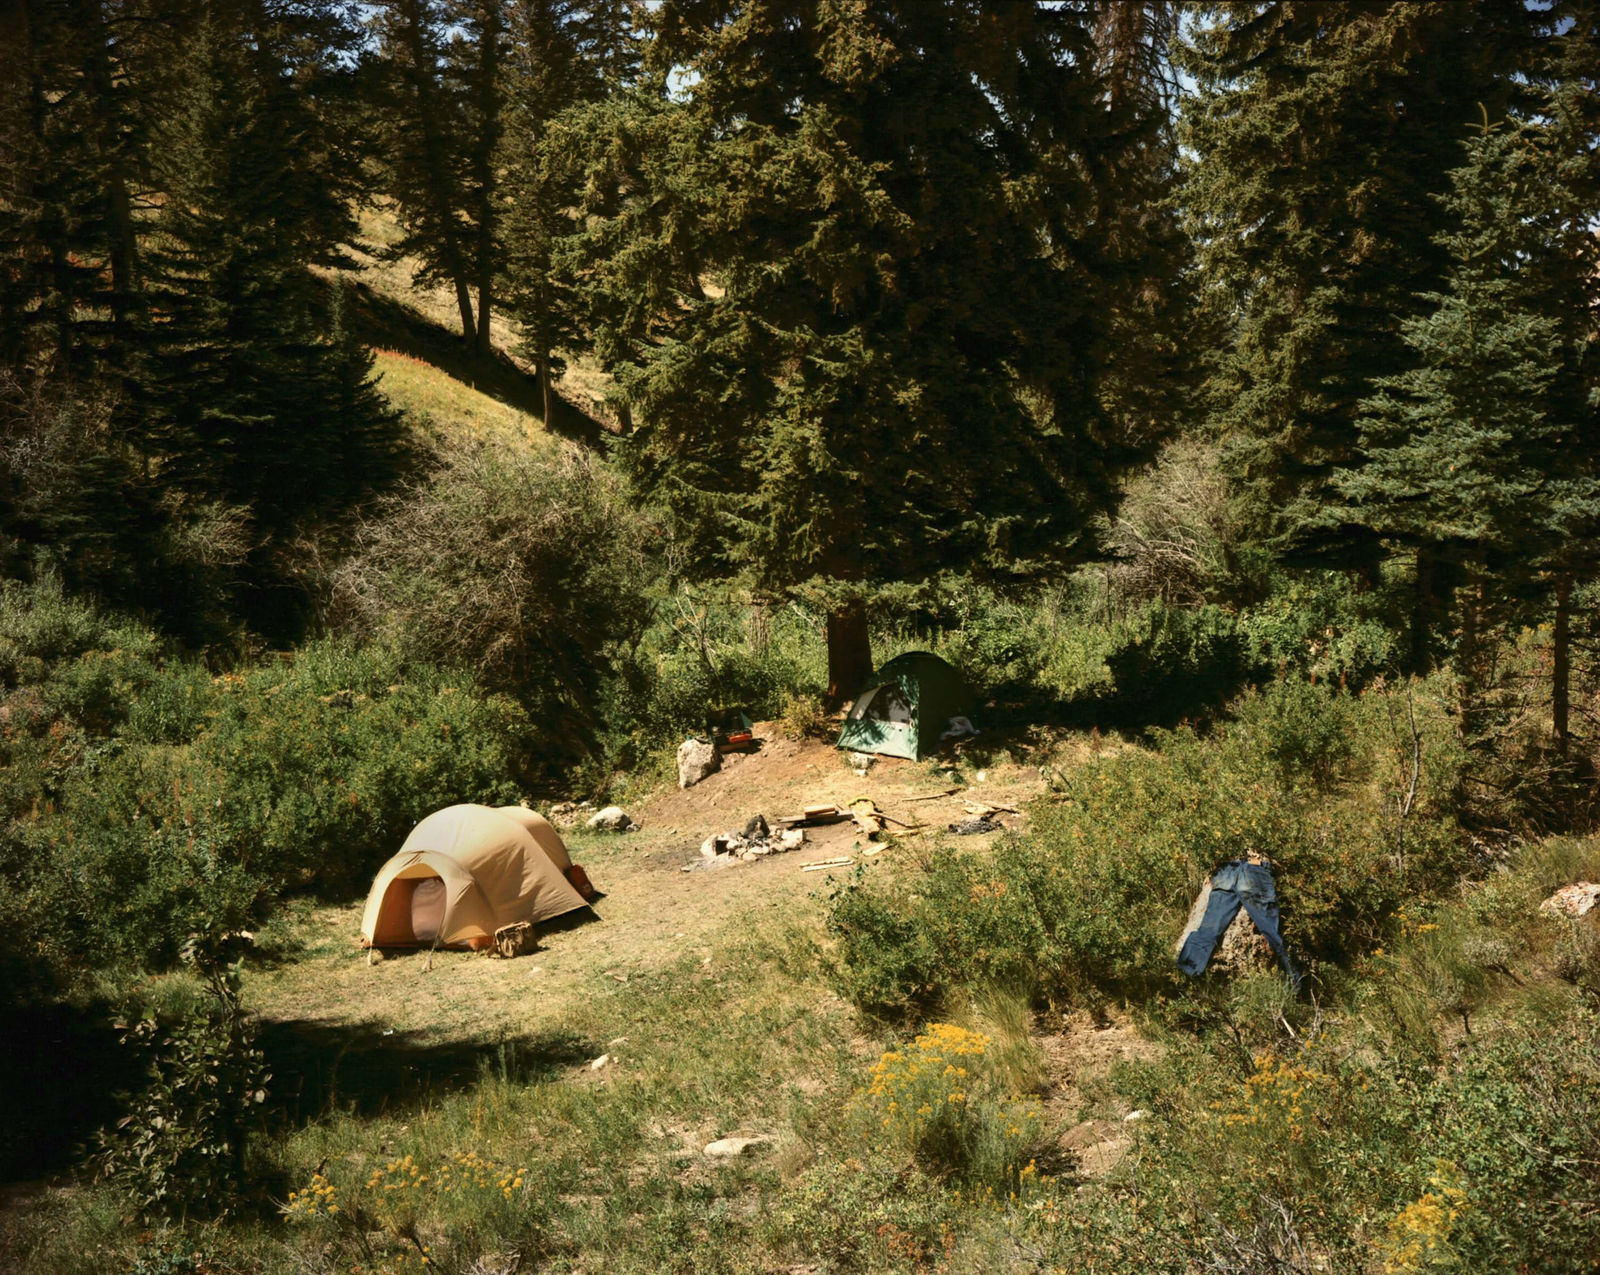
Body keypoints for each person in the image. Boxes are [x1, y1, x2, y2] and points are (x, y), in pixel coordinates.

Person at [1176, 852, 1301, 991]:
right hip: (1254, 869)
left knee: (1207, 931)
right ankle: (1293, 983)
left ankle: (1184, 978)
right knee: (1271, 932)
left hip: (1227, 869)